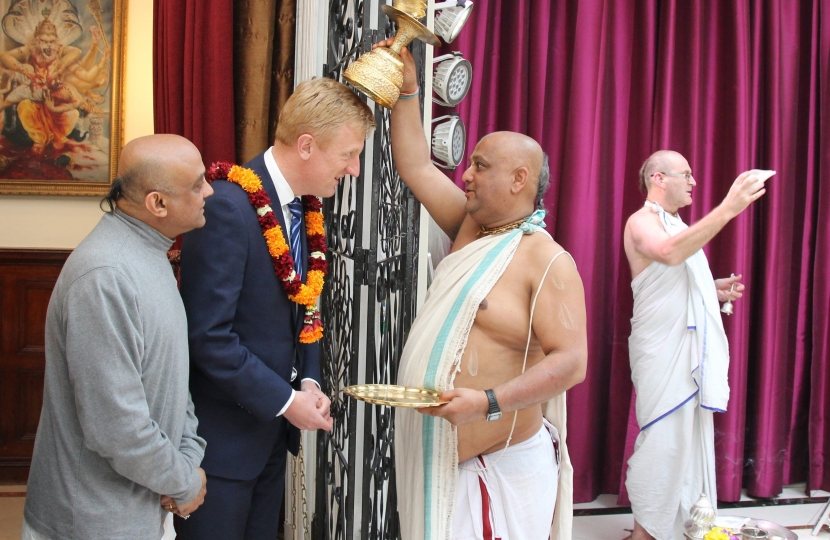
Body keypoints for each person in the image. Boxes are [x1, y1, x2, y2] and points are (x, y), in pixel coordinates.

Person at [379, 39, 587, 540]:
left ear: (520, 179)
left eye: (480, 166)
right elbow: (415, 166)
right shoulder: (471, 228)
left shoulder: (547, 259)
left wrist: (487, 402)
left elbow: (571, 363)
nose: (466, 175)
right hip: (442, 466)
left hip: (499, 474)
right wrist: (408, 91)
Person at [177, 77, 375, 540]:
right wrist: (287, 402)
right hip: (222, 448)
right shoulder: (227, 206)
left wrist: (308, 380)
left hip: (268, 438)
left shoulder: (306, 209)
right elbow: (207, 335)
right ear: (307, 146)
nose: (355, 170)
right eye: (348, 154)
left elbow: (303, 305)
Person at [22, 134, 213, 539]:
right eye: (197, 184)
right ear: (157, 203)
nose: (209, 191)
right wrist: (184, 481)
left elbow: (175, 380)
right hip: (94, 521)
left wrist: (185, 464)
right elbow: (115, 428)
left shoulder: (149, 251)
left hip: (143, 509)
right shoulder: (105, 275)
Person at [623, 150, 768, 540]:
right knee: (663, 439)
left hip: (683, 350)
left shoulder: (676, 225)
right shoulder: (641, 221)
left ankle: (680, 527)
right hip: (662, 351)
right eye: (685, 174)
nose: (693, 182)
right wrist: (729, 208)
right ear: (658, 178)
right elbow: (668, 254)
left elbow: (675, 272)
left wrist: (710, 286)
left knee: (684, 440)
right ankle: (645, 533)